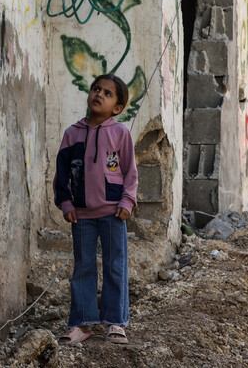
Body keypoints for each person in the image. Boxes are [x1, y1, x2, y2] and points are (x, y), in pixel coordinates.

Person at [54, 74, 138, 345]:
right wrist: (65, 202)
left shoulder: (120, 133)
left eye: (108, 93)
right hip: (82, 215)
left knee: (115, 266)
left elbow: (131, 173)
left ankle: (115, 322)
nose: (99, 94)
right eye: (96, 89)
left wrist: (127, 202)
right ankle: (81, 323)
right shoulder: (72, 133)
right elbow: (62, 173)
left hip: (114, 213)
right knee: (83, 268)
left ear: (117, 107)